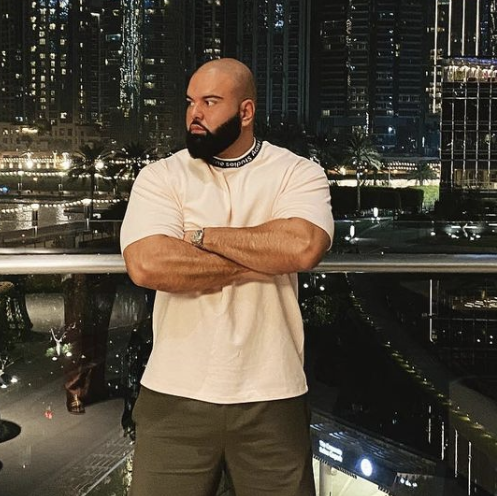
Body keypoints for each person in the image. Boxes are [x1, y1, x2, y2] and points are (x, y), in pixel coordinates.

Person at [120, 58, 334, 496]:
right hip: (173, 393)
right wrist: (264, 254)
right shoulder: (161, 176)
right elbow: (147, 264)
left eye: (210, 102)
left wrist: (201, 237)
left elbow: (302, 247)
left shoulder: (297, 173)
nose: (194, 113)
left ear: (246, 111)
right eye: (190, 102)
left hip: (273, 392)